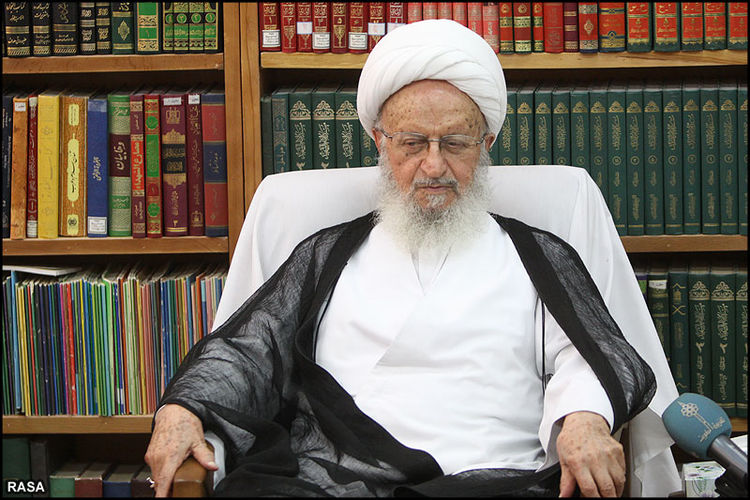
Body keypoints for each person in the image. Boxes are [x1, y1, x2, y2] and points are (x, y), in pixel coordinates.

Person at [146, 20, 678, 497]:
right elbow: (247, 352)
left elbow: (588, 353)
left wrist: (584, 417)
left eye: (456, 143)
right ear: (379, 142)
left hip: (496, 478)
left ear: (487, 143)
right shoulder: (326, 255)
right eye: (412, 143)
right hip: (332, 481)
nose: (434, 165)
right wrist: (182, 408)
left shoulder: (536, 253)